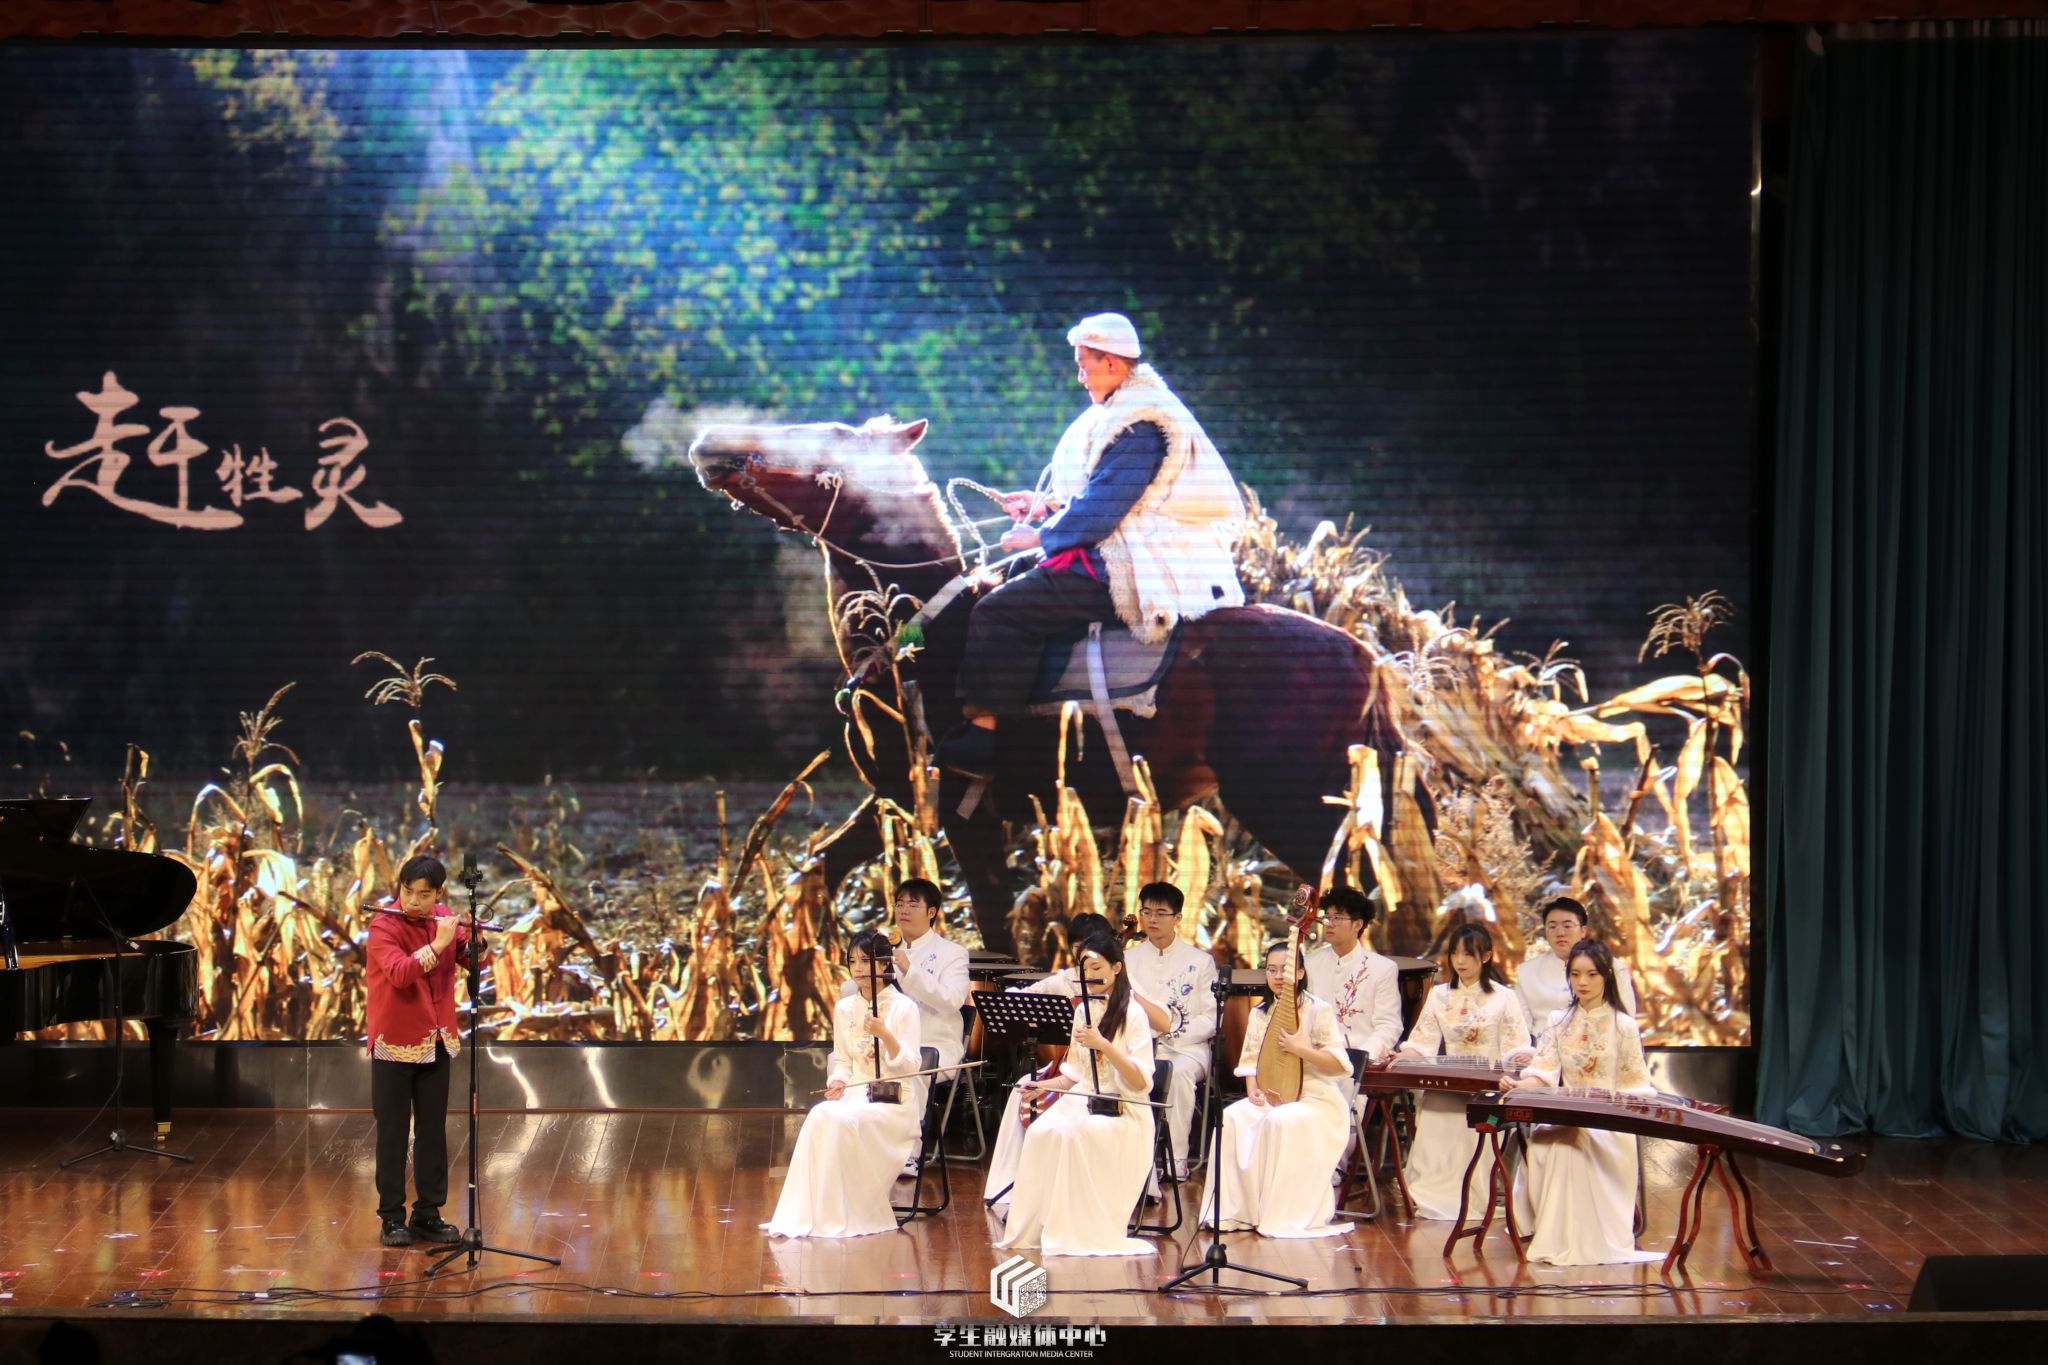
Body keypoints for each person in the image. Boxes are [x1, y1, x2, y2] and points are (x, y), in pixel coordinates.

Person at [937, 313, 1246, 779]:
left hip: (1133, 563)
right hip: (1117, 546)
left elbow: (1104, 507)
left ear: (1112, 363)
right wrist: (1044, 506)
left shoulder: (1142, 422)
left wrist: (1040, 536)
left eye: (1085, 364)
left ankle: (984, 734)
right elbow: (1098, 491)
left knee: (998, 611)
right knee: (1006, 581)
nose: (1080, 375)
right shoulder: (1125, 409)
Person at [1505, 939, 1662, 1266]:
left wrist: (1605, 1109)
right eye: (1575, 974)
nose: (1583, 982)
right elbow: (1544, 1073)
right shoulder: (1558, 1021)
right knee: (1549, 1141)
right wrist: (1518, 1086)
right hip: (1567, 1115)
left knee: (1569, 1147)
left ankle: (1578, 1241)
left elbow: (1635, 1087)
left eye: (1592, 974)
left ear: (1606, 976)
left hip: (1610, 1122)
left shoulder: (1623, 1026)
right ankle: (1556, 1237)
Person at [997, 938, 1158, 1256]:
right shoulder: (1083, 1010)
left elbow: (1140, 1082)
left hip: (1122, 1108)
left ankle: (1074, 1228)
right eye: (1085, 970)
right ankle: (1041, 1225)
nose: (1090, 975)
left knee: (1073, 1134)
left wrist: (1105, 1045)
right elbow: (1075, 1074)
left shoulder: (1134, 1014)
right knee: (1041, 1131)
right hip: (1081, 1100)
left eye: (1097, 967)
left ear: (1116, 968)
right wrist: (1043, 1086)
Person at [765, 930, 922, 1238]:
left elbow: (911, 1067)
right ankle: (813, 1211)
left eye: (866, 961)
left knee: (842, 1122)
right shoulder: (844, 1008)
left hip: (893, 1100)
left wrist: (886, 1035)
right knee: (820, 1114)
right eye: (853, 961)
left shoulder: (904, 1007)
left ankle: (850, 1211)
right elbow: (842, 1061)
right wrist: (837, 1081)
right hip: (857, 1094)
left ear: (884, 964)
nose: (859, 969)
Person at [365, 855, 482, 1248]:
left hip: (436, 1040)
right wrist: (439, 943)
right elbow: (400, 974)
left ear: (439, 893)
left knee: (432, 1131)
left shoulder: (443, 917)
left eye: (423, 895)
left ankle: (428, 1213)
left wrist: (474, 940)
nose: (414, 902)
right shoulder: (384, 925)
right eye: (408, 892)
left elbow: (470, 959)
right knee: (393, 1132)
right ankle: (391, 1217)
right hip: (394, 1042)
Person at [1393, 922, 1532, 1221]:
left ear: (1486, 956)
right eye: (1455, 953)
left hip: (1489, 1089)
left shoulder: (1504, 996)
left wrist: (1519, 1058)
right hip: (1451, 1082)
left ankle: (1474, 1195)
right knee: (1433, 1107)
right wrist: (1402, 1056)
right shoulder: (1439, 995)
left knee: (1478, 1122)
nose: (1460, 961)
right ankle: (1430, 1192)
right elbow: (1423, 1042)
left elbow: (1515, 1046)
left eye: (1468, 954)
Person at [1212, 942, 1353, 1238]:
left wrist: (1301, 1049)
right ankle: (1237, 1212)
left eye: (1285, 970)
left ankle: (1280, 1215)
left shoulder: (1318, 1009)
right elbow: (1250, 1060)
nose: (1278, 977)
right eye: (1272, 970)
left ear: (1299, 973)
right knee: (1232, 1118)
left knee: (1280, 1121)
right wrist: (1253, 1089)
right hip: (1273, 1093)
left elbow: (1340, 1064)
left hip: (1316, 1098)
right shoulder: (1260, 1013)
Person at [982, 913, 1116, 1215]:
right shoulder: (1065, 979)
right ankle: (1009, 1178)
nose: (1084, 957)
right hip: (1069, 1064)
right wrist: (1017, 1000)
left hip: (1104, 1074)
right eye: (1078, 947)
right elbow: (1021, 997)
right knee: (1023, 1086)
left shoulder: (1120, 989)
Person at [1121, 882, 1218, 1182]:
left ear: (1177, 918)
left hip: (1187, 1048)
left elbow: (1211, 1017)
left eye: (1161, 913)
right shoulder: (1128, 959)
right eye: (1147, 912)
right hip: (1139, 1046)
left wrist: (1171, 1032)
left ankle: (1177, 1160)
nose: (1152, 919)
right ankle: (1131, 1160)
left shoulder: (1201, 961)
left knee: (1177, 1072)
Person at [887, 878, 970, 1142]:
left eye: (913, 905)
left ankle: (909, 1149)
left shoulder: (953, 953)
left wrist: (909, 970)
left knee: (910, 1069)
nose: (904, 911)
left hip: (934, 1044)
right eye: (899, 904)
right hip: (890, 1042)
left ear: (931, 912)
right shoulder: (886, 950)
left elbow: (952, 1000)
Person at [1514, 896, 1638, 1050]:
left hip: (1597, 1051)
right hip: (1542, 1052)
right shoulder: (1526, 972)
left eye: (1567, 926)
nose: (1560, 932)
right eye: (1552, 926)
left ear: (1583, 930)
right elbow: (1520, 1026)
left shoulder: (1612, 968)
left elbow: (1625, 1018)